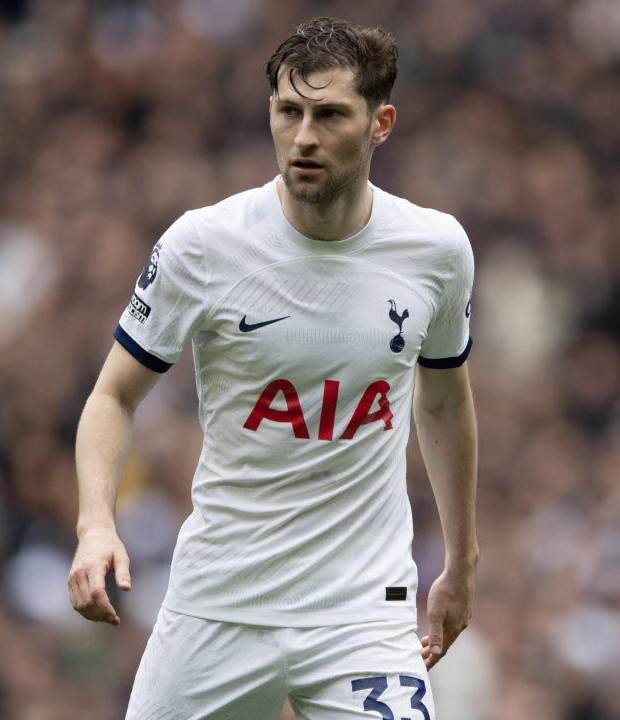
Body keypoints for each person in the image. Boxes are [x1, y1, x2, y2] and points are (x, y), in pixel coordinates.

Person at [67, 16, 478, 719]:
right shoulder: (204, 245)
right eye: (289, 112)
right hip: (220, 601)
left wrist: (461, 560)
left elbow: (442, 402)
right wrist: (95, 524)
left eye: (329, 115)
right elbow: (112, 396)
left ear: (381, 124)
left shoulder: (436, 251)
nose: (305, 137)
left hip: (362, 611)